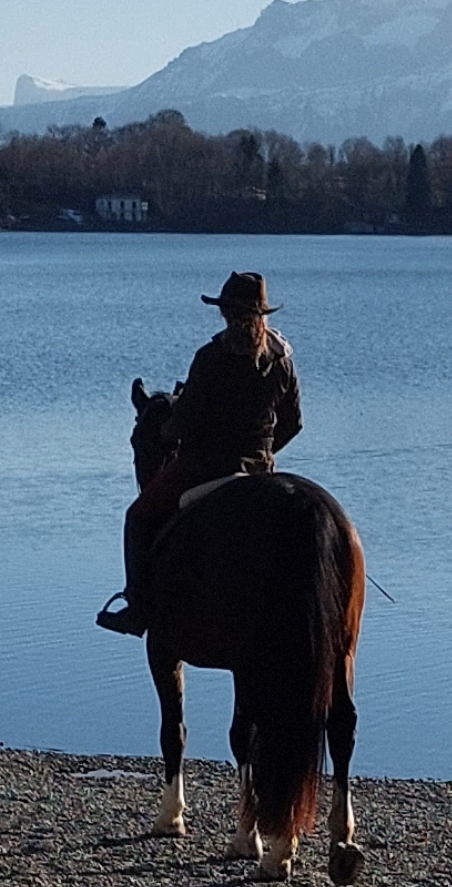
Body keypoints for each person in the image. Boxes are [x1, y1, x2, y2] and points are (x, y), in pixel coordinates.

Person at [98, 270, 301, 632]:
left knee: (138, 518)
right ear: (262, 315)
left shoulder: (211, 357)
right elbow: (293, 423)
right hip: (262, 471)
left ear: (225, 312)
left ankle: (138, 609)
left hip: (204, 468)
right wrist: (264, 455)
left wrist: (167, 427)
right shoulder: (282, 358)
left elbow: (185, 424)